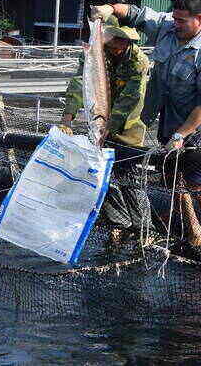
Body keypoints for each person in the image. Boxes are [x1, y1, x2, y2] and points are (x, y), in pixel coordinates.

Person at [90, 0, 201, 260]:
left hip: (193, 127)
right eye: (174, 19)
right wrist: (109, 9)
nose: (175, 24)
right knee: (172, 179)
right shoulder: (169, 27)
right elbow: (135, 14)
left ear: (200, 19)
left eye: (182, 21)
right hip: (167, 118)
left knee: (198, 184)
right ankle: (194, 232)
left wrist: (181, 134)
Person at [60, 23, 151, 244]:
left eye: (124, 41)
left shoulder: (139, 62)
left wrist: (107, 129)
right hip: (100, 127)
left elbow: (130, 99)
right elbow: (79, 83)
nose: (119, 45)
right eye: (115, 40)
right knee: (103, 178)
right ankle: (118, 224)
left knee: (130, 178)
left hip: (128, 129)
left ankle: (143, 229)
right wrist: (68, 116)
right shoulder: (95, 54)